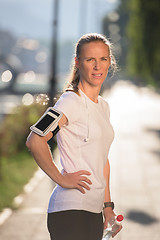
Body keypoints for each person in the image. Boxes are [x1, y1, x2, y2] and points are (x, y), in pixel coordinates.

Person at [26, 33, 122, 240]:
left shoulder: (103, 106)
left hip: (93, 211)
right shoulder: (71, 101)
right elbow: (35, 140)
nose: (97, 66)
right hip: (70, 211)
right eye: (90, 60)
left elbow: (102, 160)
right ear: (78, 63)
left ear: (109, 62)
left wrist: (107, 208)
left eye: (103, 59)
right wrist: (61, 178)